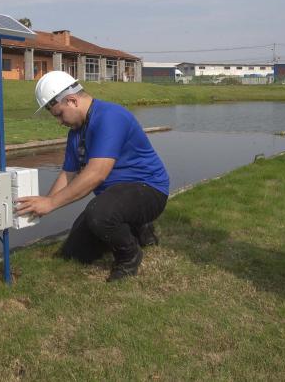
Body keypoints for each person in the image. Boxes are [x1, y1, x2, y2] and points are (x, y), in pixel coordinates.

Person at [15, 71, 170, 282]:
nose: (60, 122)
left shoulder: (110, 116)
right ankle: (136, 227)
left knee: (99, 213)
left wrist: (51, 203)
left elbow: (96, 174)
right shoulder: (76, 132)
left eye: (59, 114)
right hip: (115, 198)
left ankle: (129, 256)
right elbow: (68, 174)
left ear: (72, 100)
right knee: (75, 253)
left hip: (148, 190)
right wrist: (43, 205)